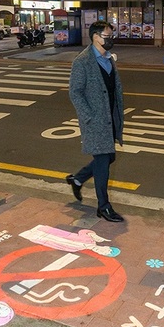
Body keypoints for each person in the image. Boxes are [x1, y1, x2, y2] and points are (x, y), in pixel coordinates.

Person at [67, 21, 125, 223]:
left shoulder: (108, 59)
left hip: (109, 117)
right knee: (103, 162)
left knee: (109, 157)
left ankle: (78, 179)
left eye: (111, 36)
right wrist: (88, 116)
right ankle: (103, 206)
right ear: (95, 37)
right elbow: (75, 92)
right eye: (107, 36)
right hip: (95, 120)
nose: (110, 39)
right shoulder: (82, 62)